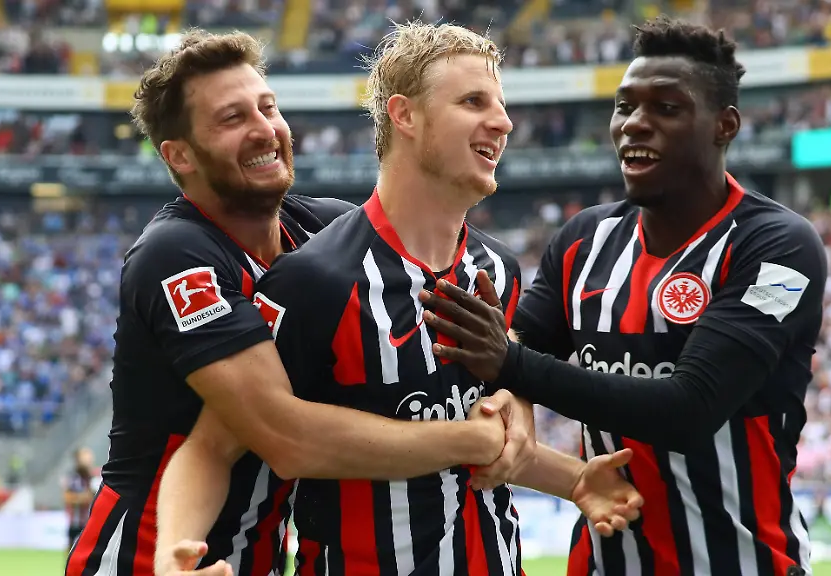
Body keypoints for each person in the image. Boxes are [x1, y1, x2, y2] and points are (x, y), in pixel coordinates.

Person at [155, 21, 644, 576]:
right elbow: (215, 445)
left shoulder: (498, 270)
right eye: (473, 101)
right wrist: (176, 551)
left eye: (501, 104)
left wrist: (575, 479)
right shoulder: (315, 280)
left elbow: (488, 444)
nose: (504, 122)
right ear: (404, 115)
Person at [67, 29, 530, 576]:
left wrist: (527, 421)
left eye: (268, 108)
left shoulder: (325, 230)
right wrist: (474, 439)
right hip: (153, 557)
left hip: (257, 557)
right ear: (180, 155)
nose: (265, 129)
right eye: (232, 118)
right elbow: (282, 433)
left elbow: (425, 392)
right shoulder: (175, 255)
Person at [421, 16, 827, 576]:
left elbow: (689, 410)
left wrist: (511, 365)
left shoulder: (782, 248)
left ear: (724, 125)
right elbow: (517, 346)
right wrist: (511, 394)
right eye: (624, 107)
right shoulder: (584, 239)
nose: (635, 124)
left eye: (666, 108)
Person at [63, 447, 99, 554]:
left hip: (91, 522)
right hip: (75, 523)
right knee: (71, 553)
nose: (88, 459)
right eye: (85, 456)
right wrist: (84, 497)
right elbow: (67, 497)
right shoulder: (72, 478)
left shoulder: (96, 476)